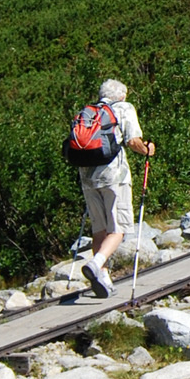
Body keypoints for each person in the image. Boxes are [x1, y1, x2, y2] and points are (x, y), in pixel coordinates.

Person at [76, 80, 155, 298]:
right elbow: (132, 141)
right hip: (114, 176)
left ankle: (104, 279)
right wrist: (147, 150)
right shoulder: (124, 108)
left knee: (99, 228)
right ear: (121, 95)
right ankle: (96, 263)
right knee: (119, 227)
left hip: (87, 177)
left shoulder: (88, 112)